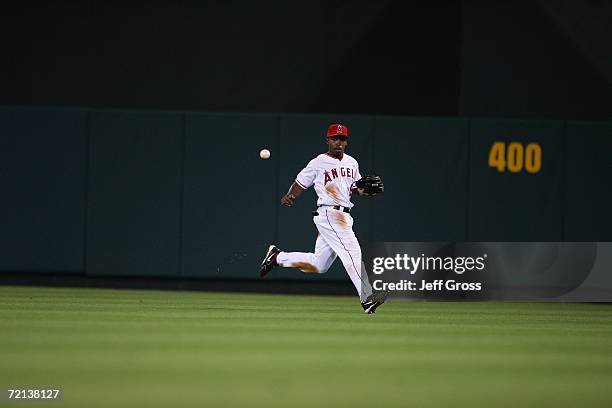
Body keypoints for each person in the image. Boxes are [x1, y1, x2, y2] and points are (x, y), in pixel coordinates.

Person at [259, 123, 386, 314]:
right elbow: (301, 182)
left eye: (342, 139)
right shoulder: (318, 162)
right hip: (330, 213)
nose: (338, 143)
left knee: (320, 264)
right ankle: (367, 297)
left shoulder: (352, 163)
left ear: (347, 142)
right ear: (327, 140)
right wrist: (291, 195)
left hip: (343, 214)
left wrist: (363, 191)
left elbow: (353, 188)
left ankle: (278, 257)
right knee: (352, 251)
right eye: (335, 139)